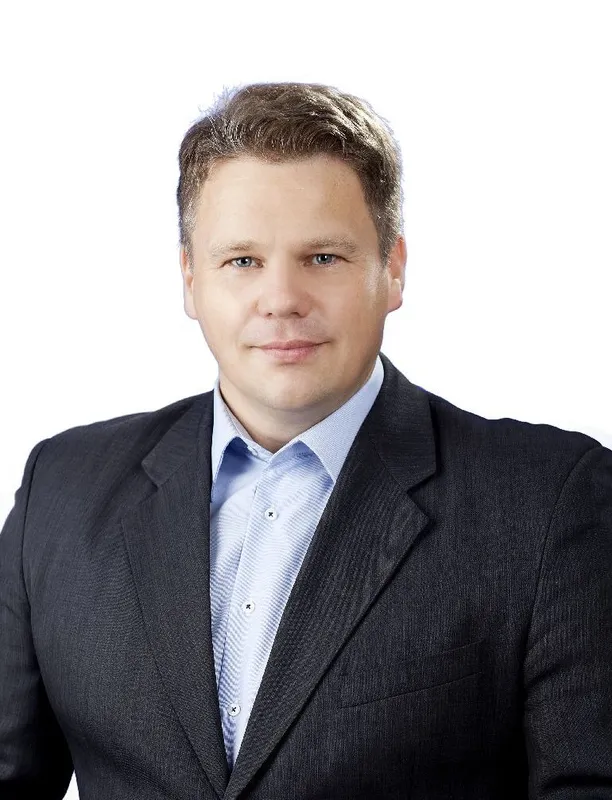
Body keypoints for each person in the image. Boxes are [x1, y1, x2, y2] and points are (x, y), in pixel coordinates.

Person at [1, 81, 611, 800]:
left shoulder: (549, 501)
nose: (282, 299)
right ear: (190, 279)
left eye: (323, 257)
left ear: (393, 270)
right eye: (242, 261)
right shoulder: (62, 489)